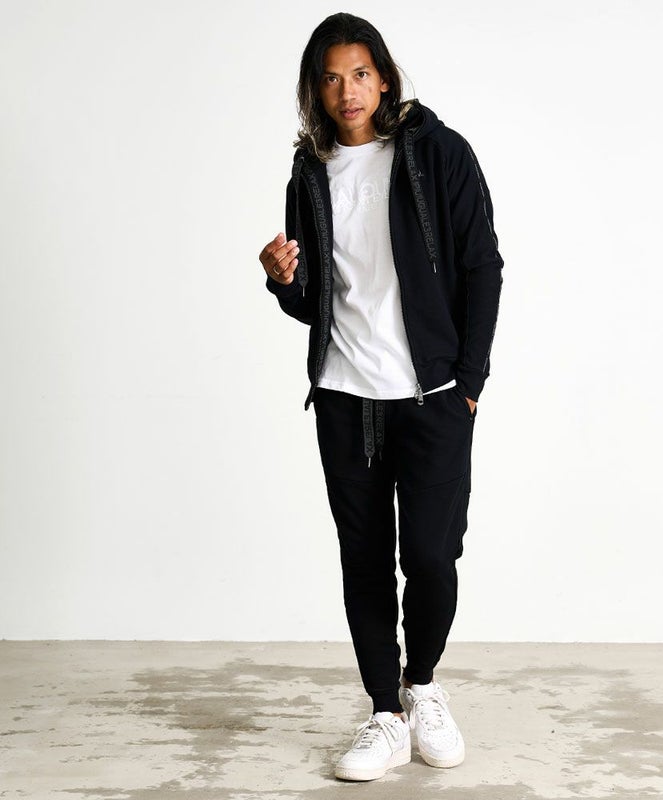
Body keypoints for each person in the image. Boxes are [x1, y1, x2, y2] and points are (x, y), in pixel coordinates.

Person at [259, 12, 503, 782]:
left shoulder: (438, 153)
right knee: (363, 561)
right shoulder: (310, 173)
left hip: (432, 395)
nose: (348, 91)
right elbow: (316, 302)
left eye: (360, 73)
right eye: (331, 78)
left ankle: (421, 685)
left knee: (431, 554)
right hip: (344, 397)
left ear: (385, 78)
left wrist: (469, 384)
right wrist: (283, 279)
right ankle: (384, 715)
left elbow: (484, 266)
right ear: (316, 89)